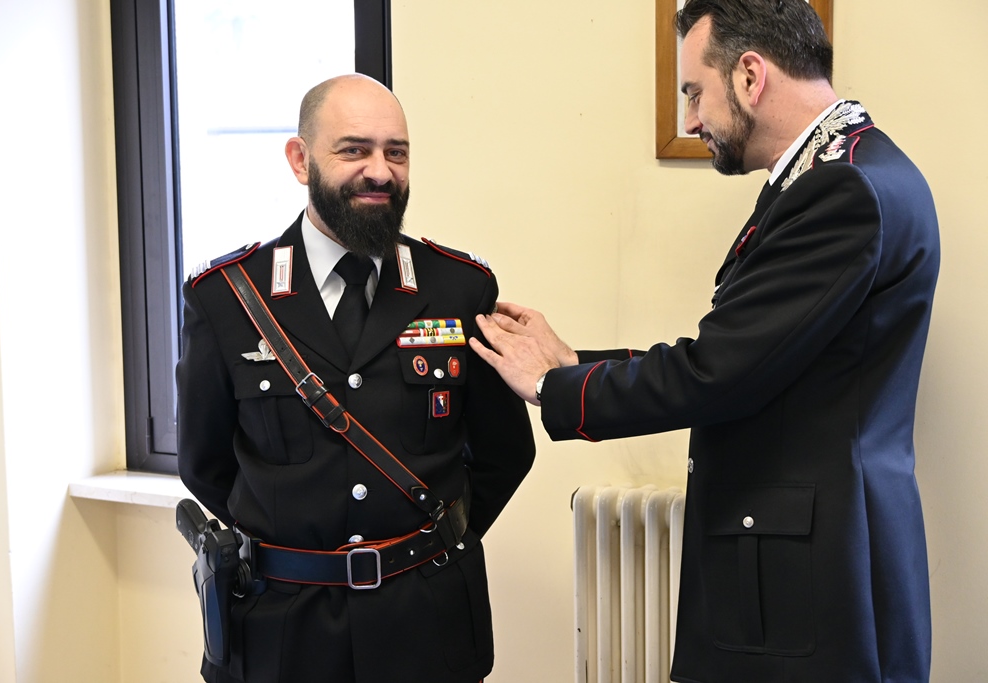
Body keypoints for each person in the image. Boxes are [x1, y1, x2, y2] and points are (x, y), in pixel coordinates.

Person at [471, 1, 939, 681]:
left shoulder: (838, 190)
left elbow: (719, 371)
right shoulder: (856, 168)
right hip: (822, 551)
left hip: (813, 573)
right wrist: (574, 363)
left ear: (750, 75)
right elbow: (751, 353)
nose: (691, 121)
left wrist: (553, 385)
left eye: (694, 92)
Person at [177, 73, 535, 683]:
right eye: (354, 150)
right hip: (284, 631)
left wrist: (429, 547)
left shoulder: (458, 287)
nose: (380, 171)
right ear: (300, 160)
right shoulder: (227, 298)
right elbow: (204, 464)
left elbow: (505, 452)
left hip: (427, 622)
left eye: (397, 153)